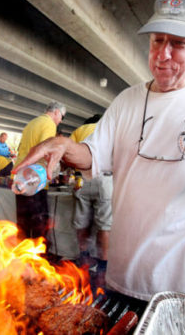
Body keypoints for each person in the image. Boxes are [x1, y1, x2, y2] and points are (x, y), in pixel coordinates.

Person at [14, 0, 185, 304]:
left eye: (179, 43)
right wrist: (62, 144)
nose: (163, 54)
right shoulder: (127, 100)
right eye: (158, 40)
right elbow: (93, 155)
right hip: (126, 278)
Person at [13, 101, 66, 243]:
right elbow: (46, 151)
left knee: (23, 221)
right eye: (62, 116)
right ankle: (38, 258)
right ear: (56, 112)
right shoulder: (49, 124)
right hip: (34, 180)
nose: (60, 120)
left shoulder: (32, 123)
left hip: (20, 177)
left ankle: (22, 255)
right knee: (39, 223)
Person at [70, 114, 112, 281]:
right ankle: (103, 265)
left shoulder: (79, 131)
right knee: (104, 225)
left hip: (82, 179)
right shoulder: (109, 129)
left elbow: (69, 156)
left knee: (81, 222)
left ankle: (84, 257)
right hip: (104, 179)